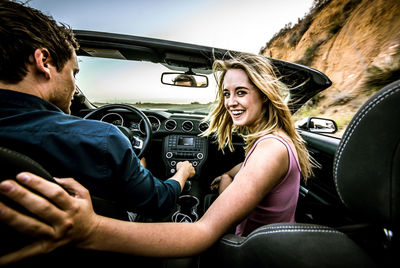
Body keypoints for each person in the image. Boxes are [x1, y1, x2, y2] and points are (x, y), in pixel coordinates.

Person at [0, 52, 317, 265]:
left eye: (242, 92)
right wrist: (230, 176)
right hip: (258, 241)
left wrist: (91, 229)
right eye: (226, 93)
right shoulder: (269, 143)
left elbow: (200, 233)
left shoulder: (270, 149)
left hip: (248, 253)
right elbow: (253, 170)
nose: (231, 102)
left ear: (263, 93)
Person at [0, 0, 195, 220]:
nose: (74, 87)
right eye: (74, 73)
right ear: (44, 61)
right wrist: (183, 172)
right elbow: (159, 201)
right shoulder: (101, 139)